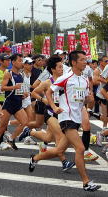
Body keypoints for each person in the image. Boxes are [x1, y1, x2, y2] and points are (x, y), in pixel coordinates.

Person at [29, 51, 101, 192]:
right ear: (74, 62)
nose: (85, 62)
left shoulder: (85, 79)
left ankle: (35, 158)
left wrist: (89, 100)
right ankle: (86, 182)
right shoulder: (66, 78)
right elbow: (49, 92)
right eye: (82, 60)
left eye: (85, 59)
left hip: (76, 118)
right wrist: (54, 106)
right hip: (65, 118)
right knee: (80, 149)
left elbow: (84, 99)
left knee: (59, 149)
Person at [0, 54, 28, 152]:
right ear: (13, 62)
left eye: (22, 61)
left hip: (18, 103)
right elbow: (2, 88)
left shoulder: (21, 75)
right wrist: (14, 88)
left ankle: (11, 138)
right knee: (2, 127)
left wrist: (24, 94)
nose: (22, 63)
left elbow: (20, 89)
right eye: (20, 61)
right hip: (8, 103)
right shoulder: (8, 73)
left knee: (25, 122)